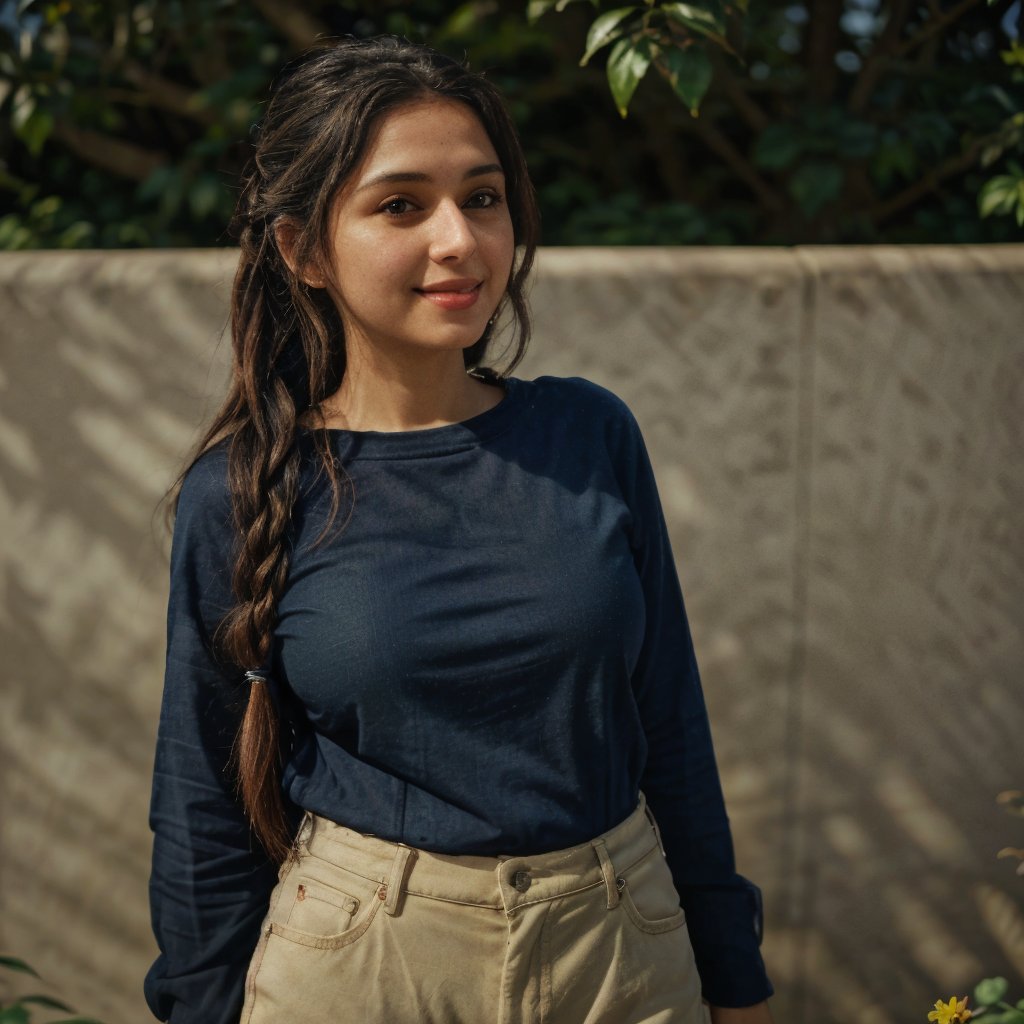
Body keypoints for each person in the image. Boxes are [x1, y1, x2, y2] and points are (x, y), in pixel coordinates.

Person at [144, 34, 774, 1024]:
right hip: (364, 968)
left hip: (622, 953)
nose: (460, 239)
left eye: (482, 198)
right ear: (303, 248)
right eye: (401, 205)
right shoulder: (244, 491)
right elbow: (202, 810)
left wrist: (732, 977)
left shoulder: (588, 432)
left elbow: (670, 728)